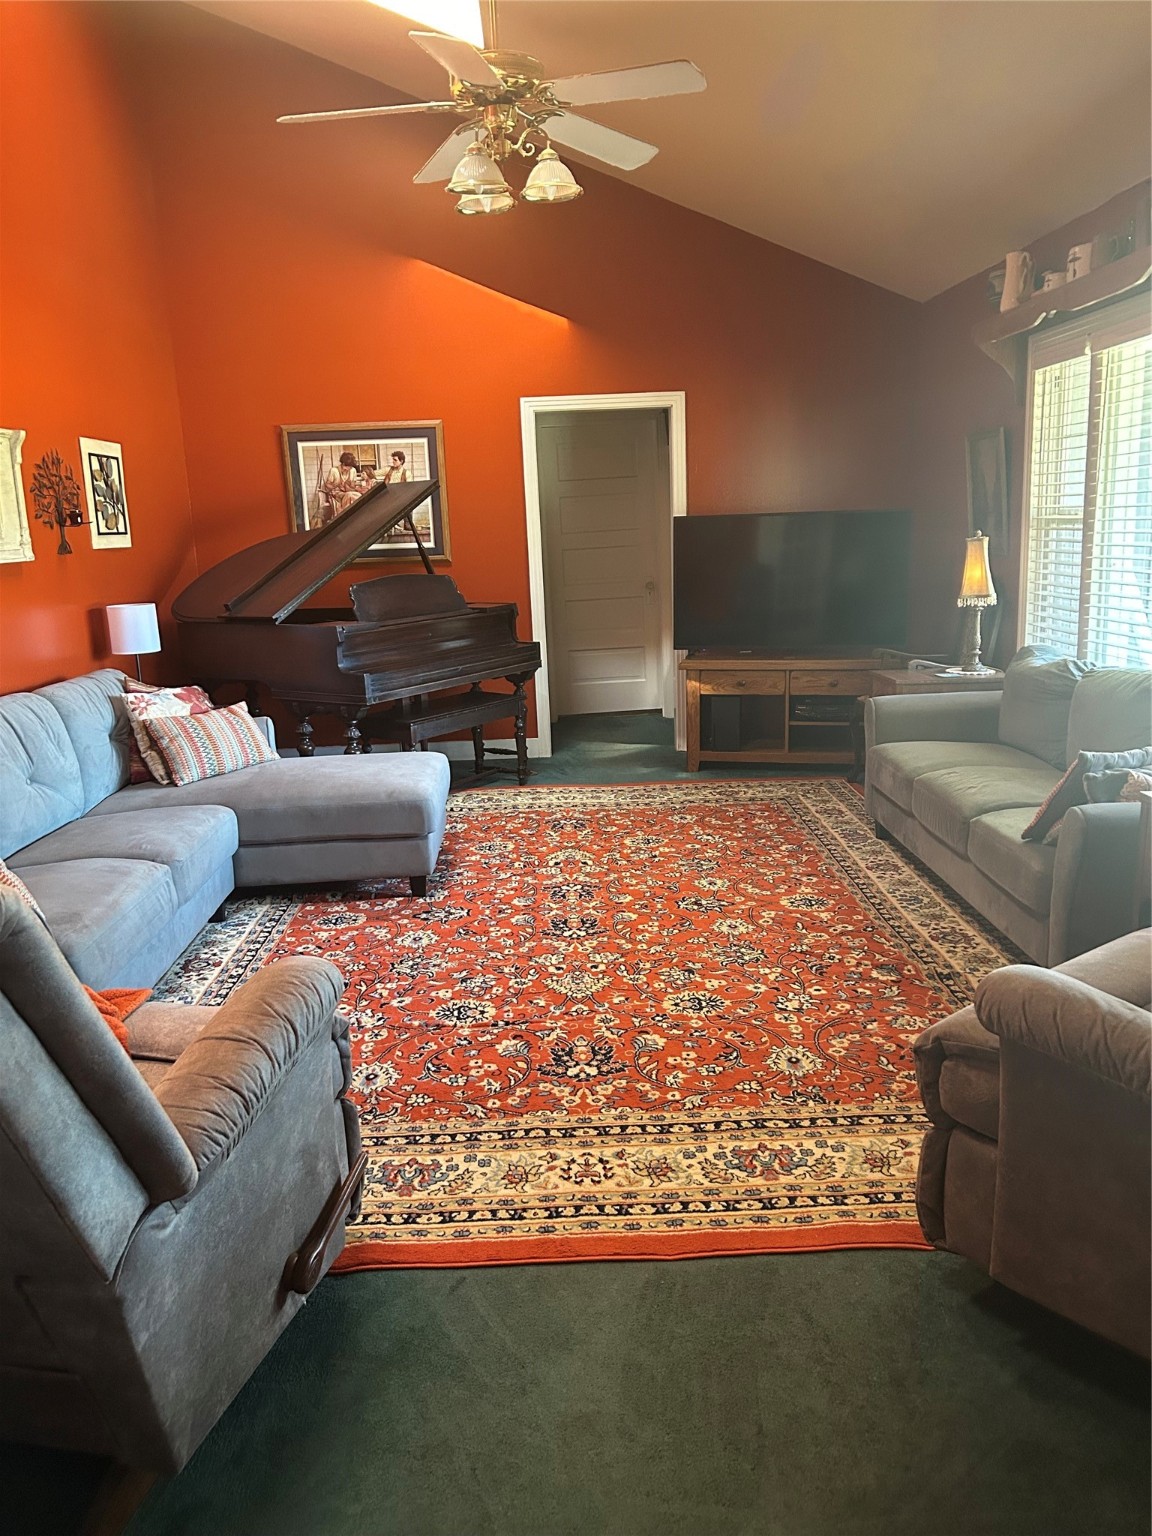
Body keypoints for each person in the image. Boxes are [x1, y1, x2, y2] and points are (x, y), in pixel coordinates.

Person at [320, 451, 367, 523]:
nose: (350, 468)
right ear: (343, 464)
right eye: (349, 467)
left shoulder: (353, 471)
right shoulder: (334, 470)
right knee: (349, 495)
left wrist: (350, 485)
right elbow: (327, 485)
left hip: (348, 492)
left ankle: (356, 517)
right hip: (336, 493)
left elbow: (353, 486)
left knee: (358, 496)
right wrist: (336, 485)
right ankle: (345, 518)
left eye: (351, 467)